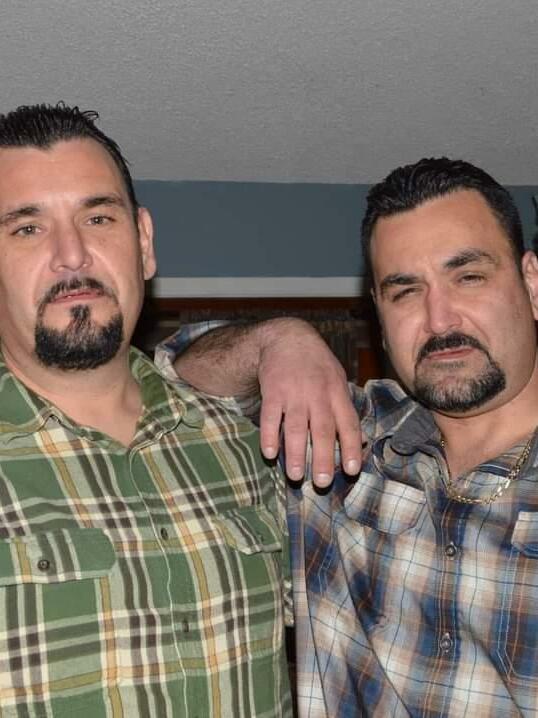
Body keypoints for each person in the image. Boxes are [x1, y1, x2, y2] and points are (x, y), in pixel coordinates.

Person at [162, 157, 538, 716]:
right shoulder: (338, 442)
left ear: (532, 282)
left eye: (468, 277)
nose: (439, 319)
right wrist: (279, 339)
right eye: (405, 291)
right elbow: (174, 388)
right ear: (378, 315)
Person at [0, 103, 294, 717]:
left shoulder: (246, 444)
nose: (73, 254)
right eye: (27, 228)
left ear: (144, 243)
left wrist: (288, 336)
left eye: (98, 217)